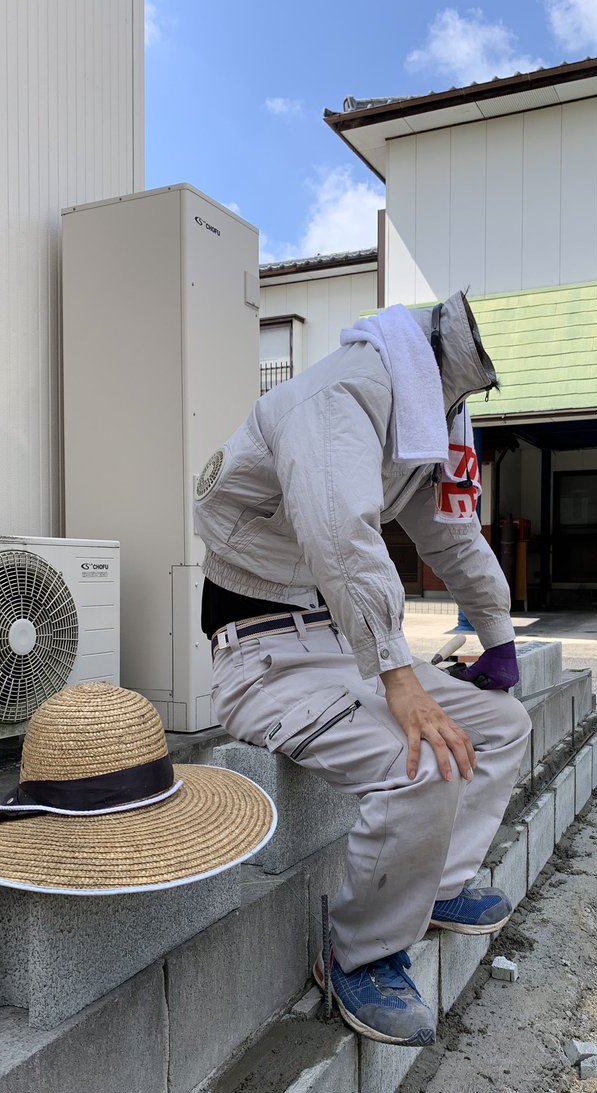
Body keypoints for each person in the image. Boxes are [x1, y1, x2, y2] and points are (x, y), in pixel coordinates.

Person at [194, 291, 532, 1046]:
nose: (467, 401)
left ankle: (436, 890)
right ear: (439, 362)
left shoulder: (426, 414)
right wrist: (401, 679)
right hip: (264, 656)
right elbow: (341, 533)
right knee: (425, 760)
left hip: (339, 646)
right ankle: (362, 953)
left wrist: (498, 631)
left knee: (503, 725)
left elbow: (452, 535)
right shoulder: (337, 395)